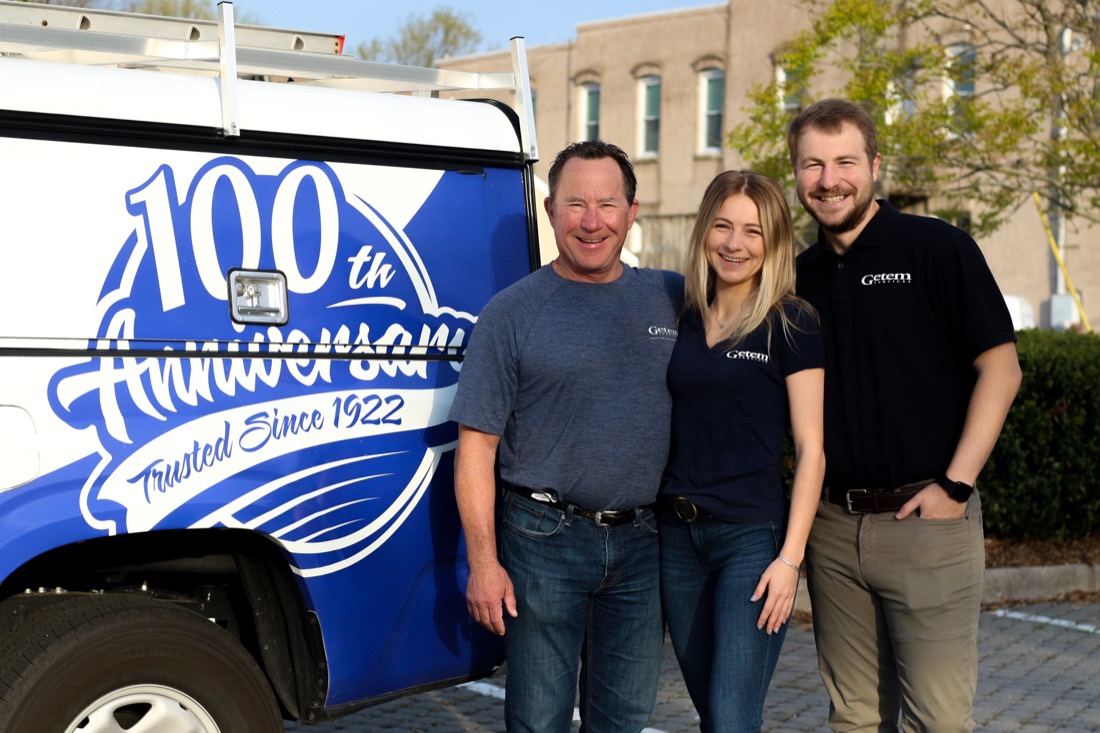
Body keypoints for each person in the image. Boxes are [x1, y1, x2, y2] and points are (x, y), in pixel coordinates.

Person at [788, 99, 1022, 732]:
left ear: (875, 166)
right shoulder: (797, 276)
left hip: (928, 523)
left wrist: (954, 487)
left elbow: (1002, 370)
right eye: (812, 164)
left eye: (844, 161)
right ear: (797, 173)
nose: (829, 179)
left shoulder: (938, 248)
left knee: (937, 722)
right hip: (834, 529)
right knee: (854, 719)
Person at [449, 139, 683, 733]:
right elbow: (476, 447)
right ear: (550, 211)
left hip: (644, 542)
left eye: (608, 204)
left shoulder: (674, 298)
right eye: (575, 204)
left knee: (624, 719)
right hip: (542, 540)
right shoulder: (512, 313)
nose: (591, 221)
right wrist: (484, 562)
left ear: (633, 212)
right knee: (538, 718)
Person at [658, 170, 825, 733]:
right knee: (714, 711)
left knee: (731, 717)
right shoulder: (680, 318)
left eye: (753, 232)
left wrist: (790, 560)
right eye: (723, 226)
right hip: (677, 539)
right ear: (704, 230)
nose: (734, 244)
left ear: (774, 242)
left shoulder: (791, 322)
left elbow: (812, 449)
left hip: (751, 542)